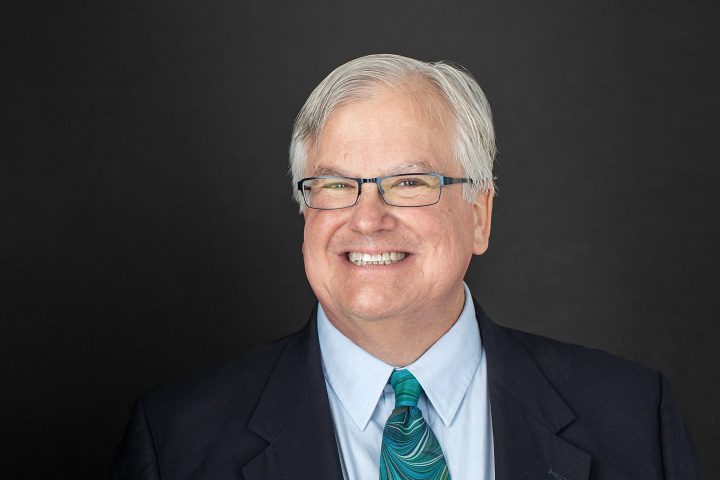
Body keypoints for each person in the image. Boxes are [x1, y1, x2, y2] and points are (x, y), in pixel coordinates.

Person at [112, 54, 701, 480]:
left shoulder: (630, 415)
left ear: (480, 215)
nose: (367, 219)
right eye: (337, 184)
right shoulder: (178, 442)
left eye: (409, 182)